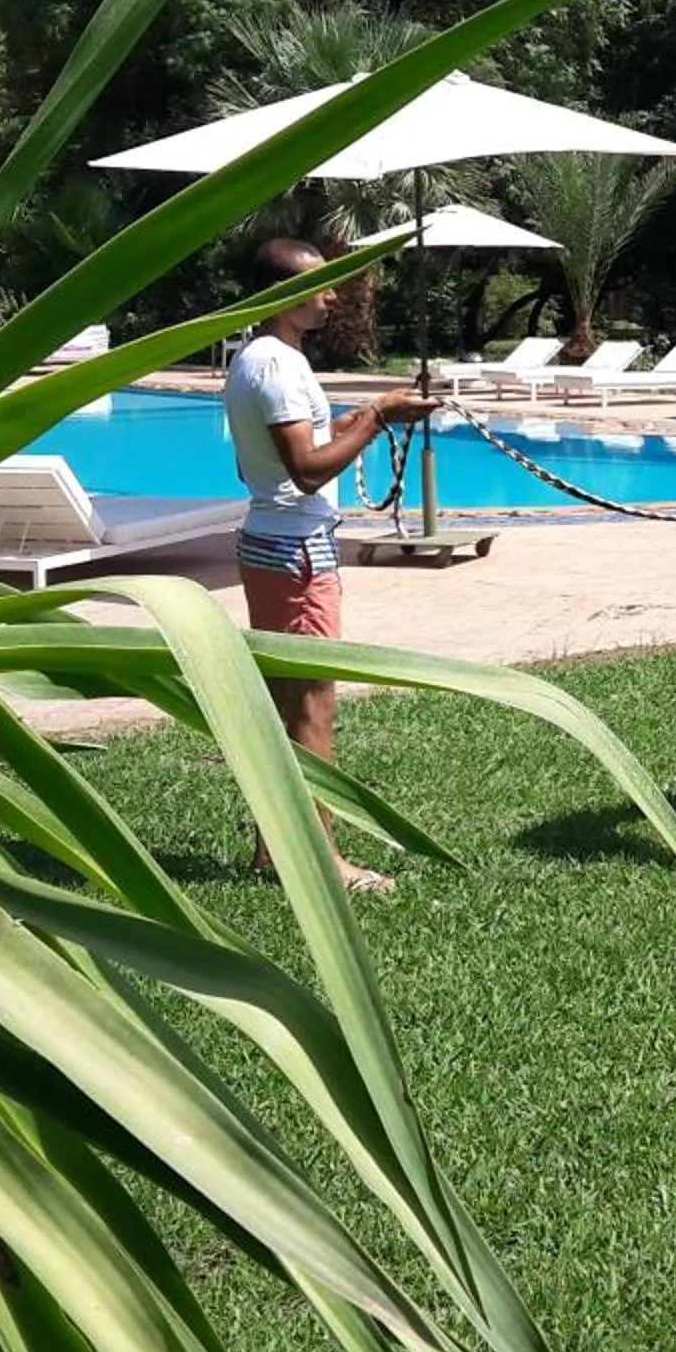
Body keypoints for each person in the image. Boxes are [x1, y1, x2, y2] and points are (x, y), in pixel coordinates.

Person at [225, 237, 437, 891]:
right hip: (295, 551)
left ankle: (273, 851)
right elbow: (308, 470)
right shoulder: (278, 366)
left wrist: (353, 418)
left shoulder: (258, 358)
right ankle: (320, 862)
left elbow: (276, 454)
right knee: (313, 709)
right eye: (323, 284)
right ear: (286, 296)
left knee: (283, 707)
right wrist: (376, 415)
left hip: (269, 539)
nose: (335, 295)